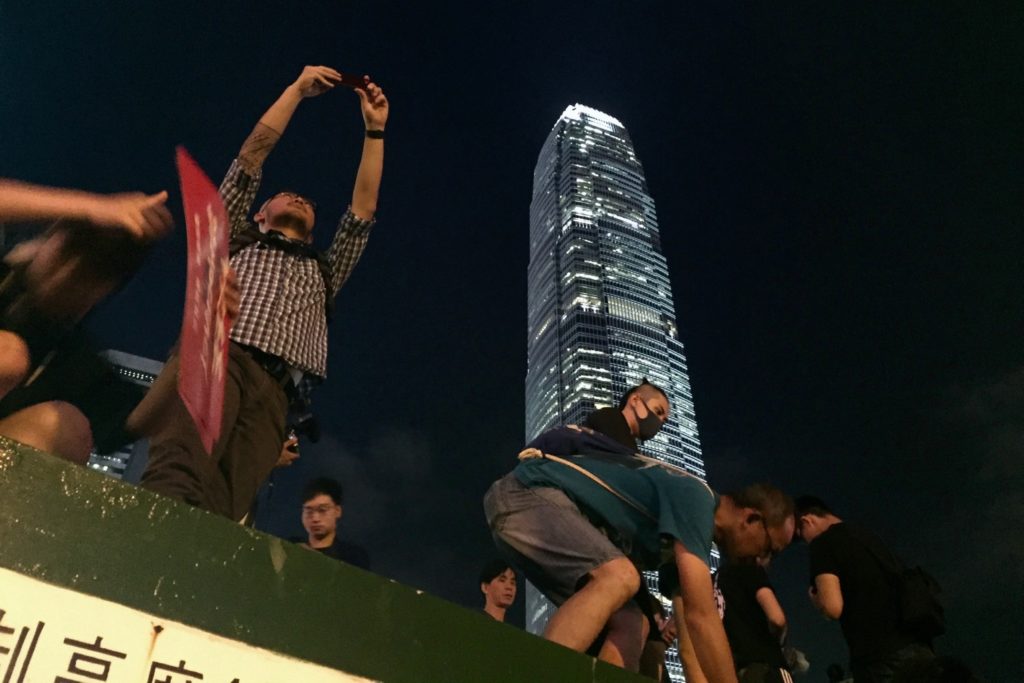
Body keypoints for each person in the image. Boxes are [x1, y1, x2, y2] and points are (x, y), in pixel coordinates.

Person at [141, 65, 389, 520]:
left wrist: (375, 131)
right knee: (178, 472)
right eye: (287, 194)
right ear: (259, 213)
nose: (300, 200)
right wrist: (296, 91)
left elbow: (362, 212)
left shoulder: (326, 270)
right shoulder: (235, 237)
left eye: (309, 203)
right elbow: (249, 161)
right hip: (221, 356)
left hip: (278, 393)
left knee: (226, 505)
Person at [484, 380, 795, 679]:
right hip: (524, 492)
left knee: (634, 622)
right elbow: (704, 617)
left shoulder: (686, 543)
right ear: (752, 519)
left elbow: (691, 634)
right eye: (769, 548)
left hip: (538, 512)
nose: (763, 560)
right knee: (620, 576)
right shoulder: (696, 497)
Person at [0, 181, 174, 461]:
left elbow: (138, 423)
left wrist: (198, 341)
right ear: (52, 234)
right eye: (68, 252)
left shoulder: (73, 358)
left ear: (106, 290)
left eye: (91, 274)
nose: (67, 275)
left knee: (68, 427)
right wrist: (89, 207)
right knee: (8, 354)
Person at [795, 496, 936, 683]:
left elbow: (832, 607)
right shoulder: (866, 536)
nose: (806, 543)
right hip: (918, 645)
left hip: (880, 657)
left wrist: (817, 600)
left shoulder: (823, 543)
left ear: (807, 521)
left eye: (801, 536)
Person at [714, 558, 792, 683]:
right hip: (767, 666)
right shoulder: (751, 568)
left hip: (736, 672)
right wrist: (780, 641)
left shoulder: (714, 580)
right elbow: (777, 619)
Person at [296, 476, 369, 570]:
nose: (315, 518)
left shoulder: (354, 557)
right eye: (309, 511)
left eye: (322, 510)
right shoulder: (290, 548)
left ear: (337, 511)